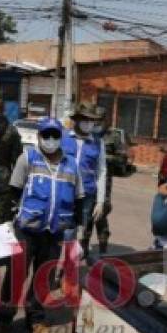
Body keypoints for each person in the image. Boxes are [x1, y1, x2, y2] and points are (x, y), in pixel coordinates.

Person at [0, 117, 83, 333]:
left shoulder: (71, 164)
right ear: (39, 136)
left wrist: (77, 226)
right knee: (16, 276)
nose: (50, 139)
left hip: (55, 232)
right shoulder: (28, 158)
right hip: (27, 230)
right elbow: (13, 191)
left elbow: (78, 198)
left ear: (60, 138)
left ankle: (36, 318)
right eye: (46, 135)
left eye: (55, 135)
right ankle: (3, 319)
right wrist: (4, 224)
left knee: (44, 277)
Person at [61, 102, 107, 259]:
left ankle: (68, 268)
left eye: (91, 120)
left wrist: (100, 201)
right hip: (63, 190)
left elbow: (101, 171)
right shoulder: (63, 137)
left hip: (86, 194)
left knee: (78, 230)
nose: (88, 123)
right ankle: (60, 262)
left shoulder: (98, 143)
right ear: (77, 119)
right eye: (85, 119)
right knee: (61, 230)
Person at [92, 107, 113, 254]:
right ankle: (84, 245)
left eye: (100, 119)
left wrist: (106, 159)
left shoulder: (113, 137)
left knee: (101, 214)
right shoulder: (89, 134)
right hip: (87, 179)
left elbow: (122, 158)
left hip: (105, 180)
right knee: (86, 214)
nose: (97, 122)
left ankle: (103, 247)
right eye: (95, 119)